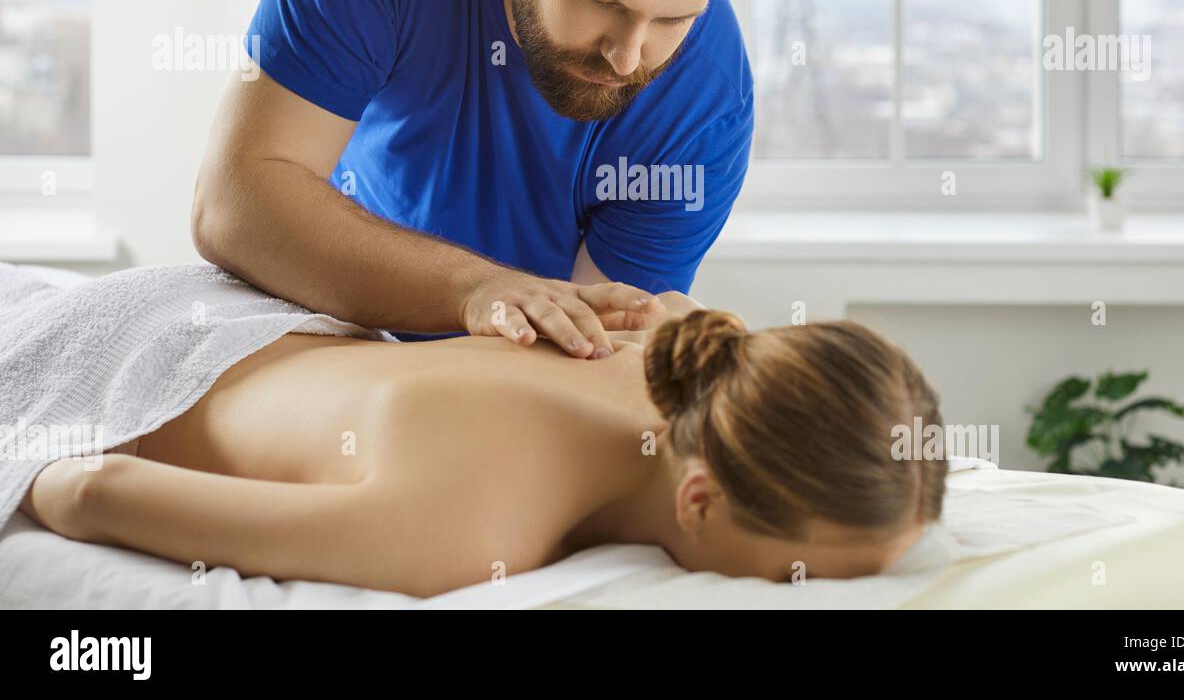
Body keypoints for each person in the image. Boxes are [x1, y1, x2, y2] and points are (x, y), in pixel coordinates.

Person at [192, 0, 759, 356]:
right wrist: (478, 290)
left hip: (514, 364)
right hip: (333, 314)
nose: (627, 55)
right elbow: (233, 206)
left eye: (673, 20)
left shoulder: (707, 100)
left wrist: (504, 309)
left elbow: (587, 352)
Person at [22, 299, 946, 597]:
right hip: (90, 358)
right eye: (809, 582)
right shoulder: (472, 528)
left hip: (207, 311)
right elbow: (95, 489)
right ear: (699, 502)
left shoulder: (656, 351)